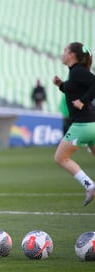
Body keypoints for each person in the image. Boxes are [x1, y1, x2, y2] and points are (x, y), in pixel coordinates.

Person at [52, 42, 95, 206]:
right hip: (92, 123)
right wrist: (61, 85)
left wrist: (83, 101)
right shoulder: (75, 73)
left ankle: (90, 185)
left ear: (72, 55)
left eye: (65, 51)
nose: (62, 53)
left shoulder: (77, 71)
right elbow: (75, 91)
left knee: (60, 157)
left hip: (82, 125)